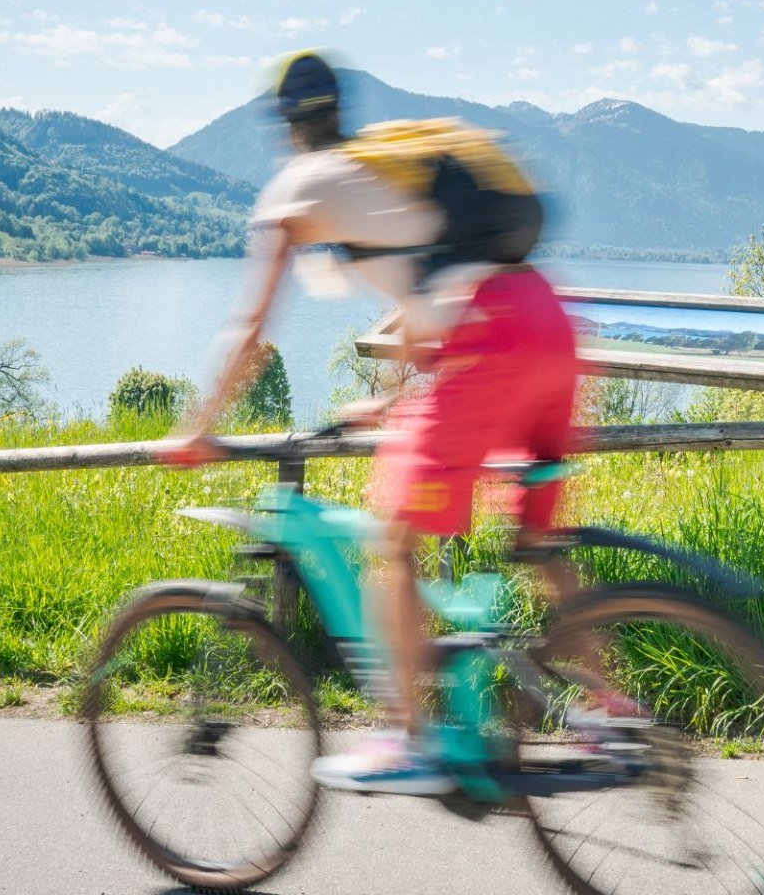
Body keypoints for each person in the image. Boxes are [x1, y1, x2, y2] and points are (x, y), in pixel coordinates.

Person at [161, 51, 598, 794]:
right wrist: (390, 402)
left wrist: (198, 426)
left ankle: (407, 737)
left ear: (286, 128)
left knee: (394, 543)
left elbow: (253, 325)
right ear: (339, 110)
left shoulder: (300, 186)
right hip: (550, 322)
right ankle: (610, 714)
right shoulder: (391, 170)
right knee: (537, 543)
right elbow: (426, 300)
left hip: (489, 341)